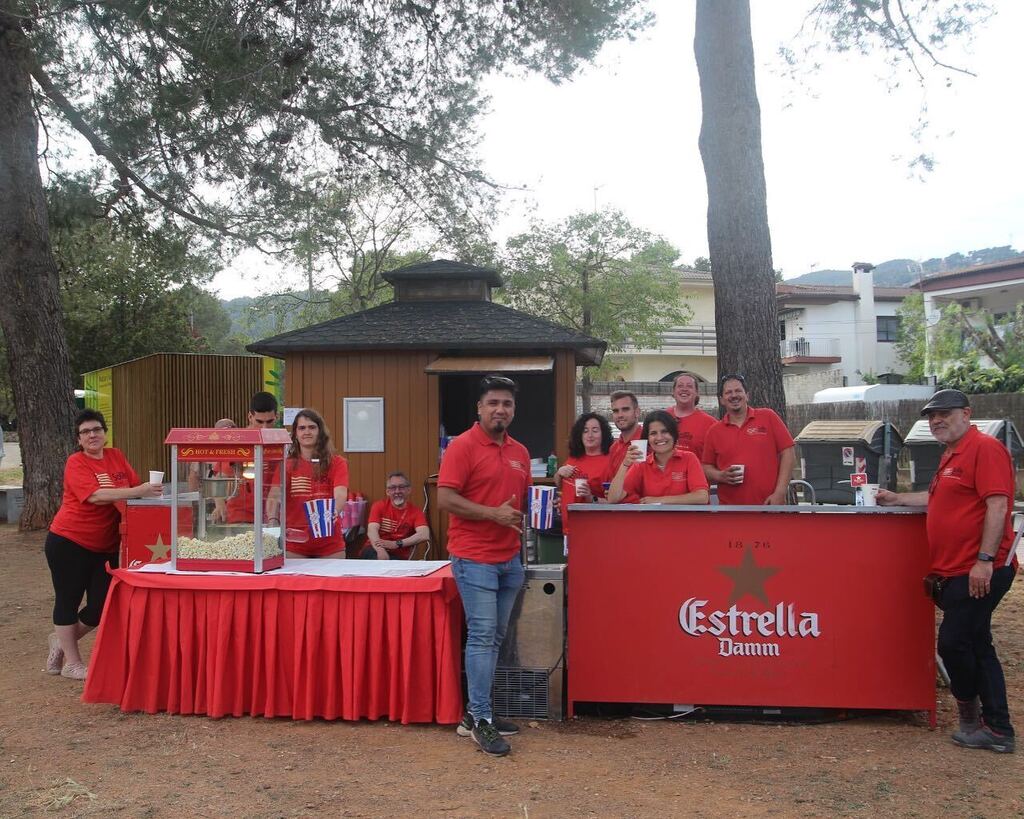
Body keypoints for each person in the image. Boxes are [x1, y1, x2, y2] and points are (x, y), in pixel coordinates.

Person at [877, 389, 1017, 753]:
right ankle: (996, 727)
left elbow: (998, 506)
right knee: (976, 644)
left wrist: (984, 561)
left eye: (944, 413)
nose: (936, 420)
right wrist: (897, 498)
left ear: (966, 413)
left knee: (955, 644)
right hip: (955, 570)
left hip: (978, 569)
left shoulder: (984, 449)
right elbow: (937, 499)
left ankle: (975, 716)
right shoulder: (951, 454)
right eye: (931, 416)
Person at [437, 374, 530, 757]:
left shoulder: (521, 452)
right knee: (482, 635)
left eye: (506, 403)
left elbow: (517, 505)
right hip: (473, 557)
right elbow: (444, 498)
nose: (500, 409)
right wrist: (493, 515)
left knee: (493, 639)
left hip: (509, 559)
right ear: (479, 407)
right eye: (493, 402)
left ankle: (477, 714)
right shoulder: (462, 446)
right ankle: (482, 719)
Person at [44, 410, 162, 680]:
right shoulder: (76, 462)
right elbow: (96, 496)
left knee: (100, 605)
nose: (92, 435)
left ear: (105, 432)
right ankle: (72, 664)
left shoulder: (116, 456)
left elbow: (133, 489)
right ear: (79, 438)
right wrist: (138, 490)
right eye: (85, 432)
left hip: (106, 544)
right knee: (68, 599)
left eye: (96, 429)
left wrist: (153, 494)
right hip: (69, 541)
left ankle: (60, 640)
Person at [702, 374, 795, 505]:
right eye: (728, 392)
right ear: (722, 399)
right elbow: (705, 467)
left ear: (747, 395)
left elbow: (788, 452)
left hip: (769, 505)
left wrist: (780, 492)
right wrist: (720, 475)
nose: (734, 395)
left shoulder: (768, 417)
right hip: (730, 510)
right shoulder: (714, 431)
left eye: (738, 390)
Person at [268, 408, 349, 558]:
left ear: (320, 431)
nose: (307, 432)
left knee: (333, 582)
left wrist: (334, 511)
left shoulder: (338, 462)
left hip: (330, 541)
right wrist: (273, 523)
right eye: (302, 428)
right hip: (294, 541)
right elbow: (274, 496)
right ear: (295, 434)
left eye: (312, 427)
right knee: (293, 582)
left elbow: (340, 494)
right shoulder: (285, 465)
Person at [607, 410, 709, 505]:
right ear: (647, 438)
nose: (659, 437)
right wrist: (625, 464)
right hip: (651, 523)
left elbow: (702, 497)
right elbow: (613, 499)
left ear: (674, 434)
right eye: (653, 433)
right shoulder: (641, 464)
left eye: (664, 431)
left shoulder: (689, 458)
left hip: (685, 522)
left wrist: (659, 500)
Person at [554, 413, 614, 547]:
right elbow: (560, 484)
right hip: (568, 529)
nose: (590, 435)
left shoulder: (610, 462)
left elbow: (614, 503)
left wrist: (590, 497)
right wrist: (559, 473)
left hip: (594, 530)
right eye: (585, 430)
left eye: (595, 430)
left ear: (603, 434)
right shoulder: (574, 458)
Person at [224, 391, 279, 524]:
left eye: (269, 421)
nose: (264, 427)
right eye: (259, 422)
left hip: (271, 515)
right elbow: (221, 476)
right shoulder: (235, 442)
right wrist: (219, 505)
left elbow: (279, 486)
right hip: (240, 515)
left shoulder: (280, 443)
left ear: (277, 416)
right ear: (250, 416)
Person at [362, 472, 430, 560]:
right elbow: (372, 530)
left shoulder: (416, 512)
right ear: (388, 491)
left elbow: (424, 534)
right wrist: (380, 550)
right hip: (374, 549)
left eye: (401, 487)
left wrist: (397, 544)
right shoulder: (379, 506)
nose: (397, 491)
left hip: (398, 555)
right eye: (393, 488)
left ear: (408, 490)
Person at [666, 372, 716, 458]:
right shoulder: (662, 418)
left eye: (689, 386)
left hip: (696, 471)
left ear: (697, 393)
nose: (684, 389)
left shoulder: (710, 423)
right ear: (673, 392)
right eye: (680, 386)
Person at [607, 390, 644, 474]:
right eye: (616, 411)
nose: (620, 415)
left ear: (637, 412)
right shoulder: (613, 448)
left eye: (625, 409)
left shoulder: (650, 442)